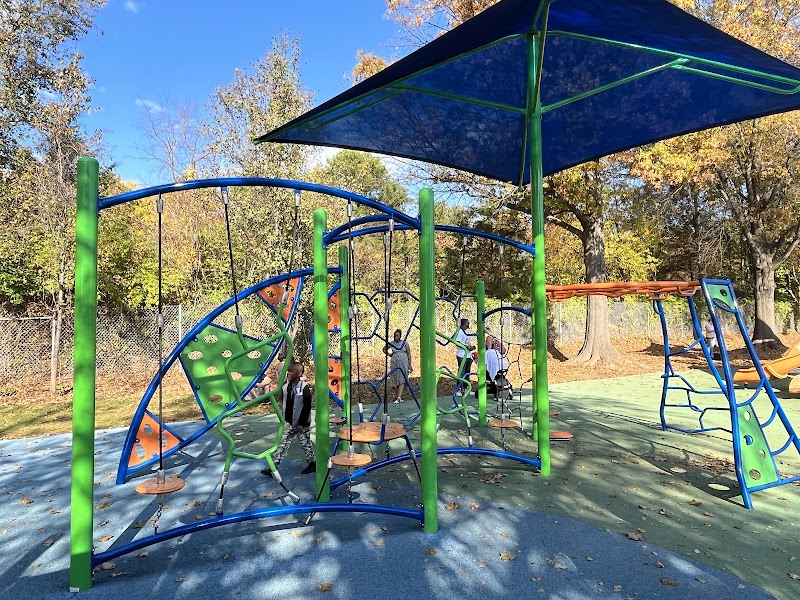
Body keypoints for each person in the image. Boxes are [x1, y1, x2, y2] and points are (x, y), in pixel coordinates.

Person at [261, 361, 315, 477]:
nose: (288, 373)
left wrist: (301, 423)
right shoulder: (286, 387)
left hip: (301, 423)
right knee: (282, 443)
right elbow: (283, 400)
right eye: (288, 371)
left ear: (299, 374)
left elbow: (307, 407)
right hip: (289, 422)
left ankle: (312, 463)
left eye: (291, 371)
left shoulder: (304, 388)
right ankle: (274, 467)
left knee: (305, 444)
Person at [385, 328, 413, 403]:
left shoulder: (404, 343)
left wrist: (409, 365)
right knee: (395, 378)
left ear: (400, 336)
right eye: (394, 335)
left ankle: (399, 397)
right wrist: (389, 354)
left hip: (403, 362)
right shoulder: (392, 343)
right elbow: (384, 349)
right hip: (395, 363)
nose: (395, 337)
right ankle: (397, 396)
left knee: (402, 378)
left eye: (397, 336)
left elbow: (409, 354)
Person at [454, 318, 475, 397]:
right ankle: (459, 389)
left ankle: (466, 388)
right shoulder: (460, 332)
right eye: (467, 323)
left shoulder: (467, 332)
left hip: (468, 355)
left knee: (467, 372)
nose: (468, 324)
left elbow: (467, 343)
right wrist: (467, 347)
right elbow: (457, 343)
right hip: (462, 355)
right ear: (463, 324)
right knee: (461, 372)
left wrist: (471, 347)